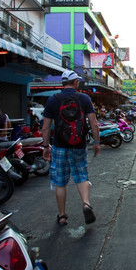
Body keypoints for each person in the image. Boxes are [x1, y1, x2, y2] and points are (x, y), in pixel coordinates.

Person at [41, 69, 101, 226]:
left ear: (62, 83)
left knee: (60, 181)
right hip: (79, 145)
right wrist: (96, 142)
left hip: (59, 146)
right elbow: (93, 123)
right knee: (81, 175)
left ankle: (62, 215)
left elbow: (46, 127)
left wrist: (46, 146)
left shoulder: (53, 100)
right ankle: (86, 204)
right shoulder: (84, 98)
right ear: (75, 82)